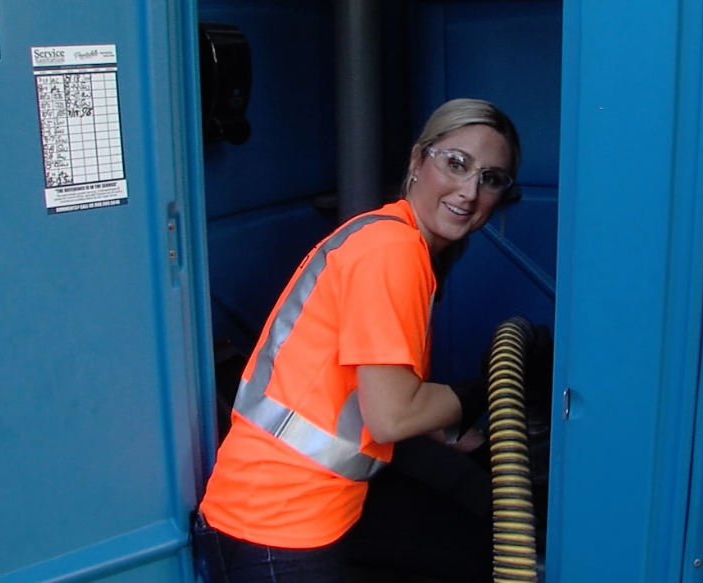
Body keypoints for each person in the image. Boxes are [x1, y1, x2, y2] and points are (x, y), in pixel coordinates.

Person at [192, 97, 521, 582]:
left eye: (490, 178)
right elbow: (391, 416)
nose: (469, 191)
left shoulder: (385, 238)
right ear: (417, 161)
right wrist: (479, 393)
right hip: (280, 526)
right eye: (456, 163)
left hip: (268, 512)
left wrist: (464, 439)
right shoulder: (393, 252)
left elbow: (382, 389)